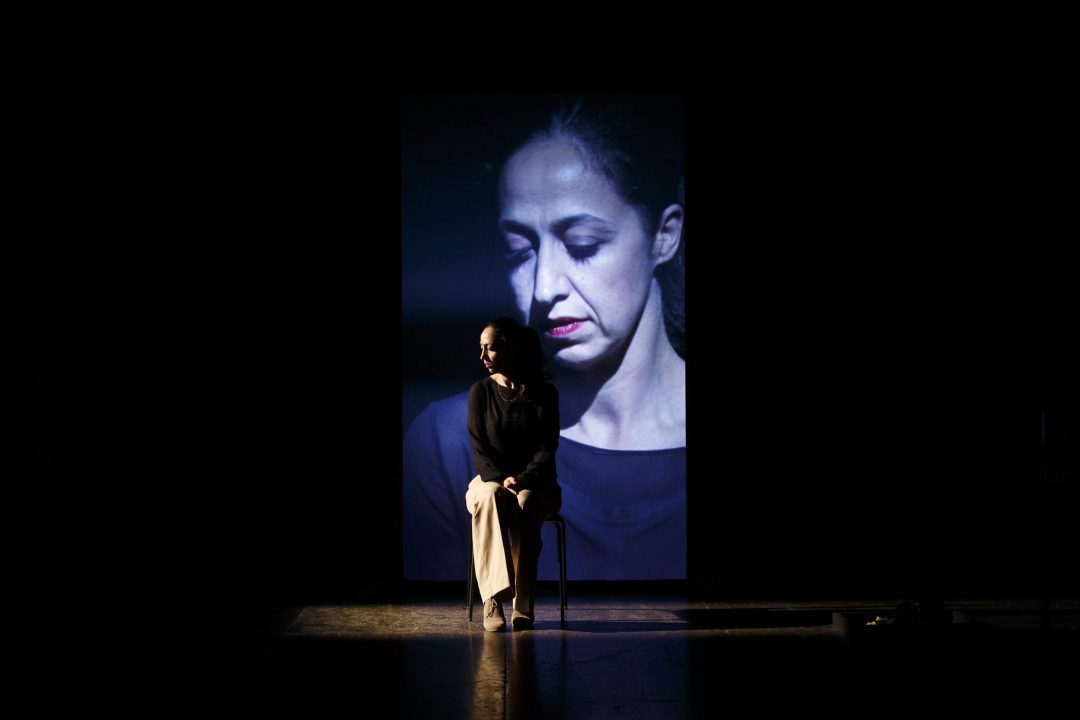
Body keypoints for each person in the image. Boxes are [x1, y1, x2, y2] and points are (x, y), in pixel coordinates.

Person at [403, 94, 685, 583]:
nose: (543, 287)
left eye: (582, 245)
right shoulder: (446, 441)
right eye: (520, 251)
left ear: (664, 235)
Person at [467, 317, 560, 631]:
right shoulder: (481, 392)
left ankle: (523, 600)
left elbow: (547, 448)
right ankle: (493, 598)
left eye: (491, 348)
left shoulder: (544, 393)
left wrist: (521, 480)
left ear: (512, 349)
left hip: (535, 482)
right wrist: (501, 478)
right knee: (490, 497)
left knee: (527, 501)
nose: (483, 356)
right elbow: (479, 449)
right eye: (481, 348)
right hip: (490, 479)